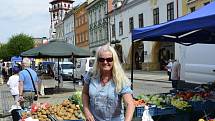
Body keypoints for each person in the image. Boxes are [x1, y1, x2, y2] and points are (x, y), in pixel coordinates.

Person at [82, 44, 135, 121]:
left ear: (114, 60)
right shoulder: (91, 75)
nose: (105, 62)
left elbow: (130, 104)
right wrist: (87, 111)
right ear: (98, 61)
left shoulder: (120, 78)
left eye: (109, 59)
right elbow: (85, 93)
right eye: (102, 59)